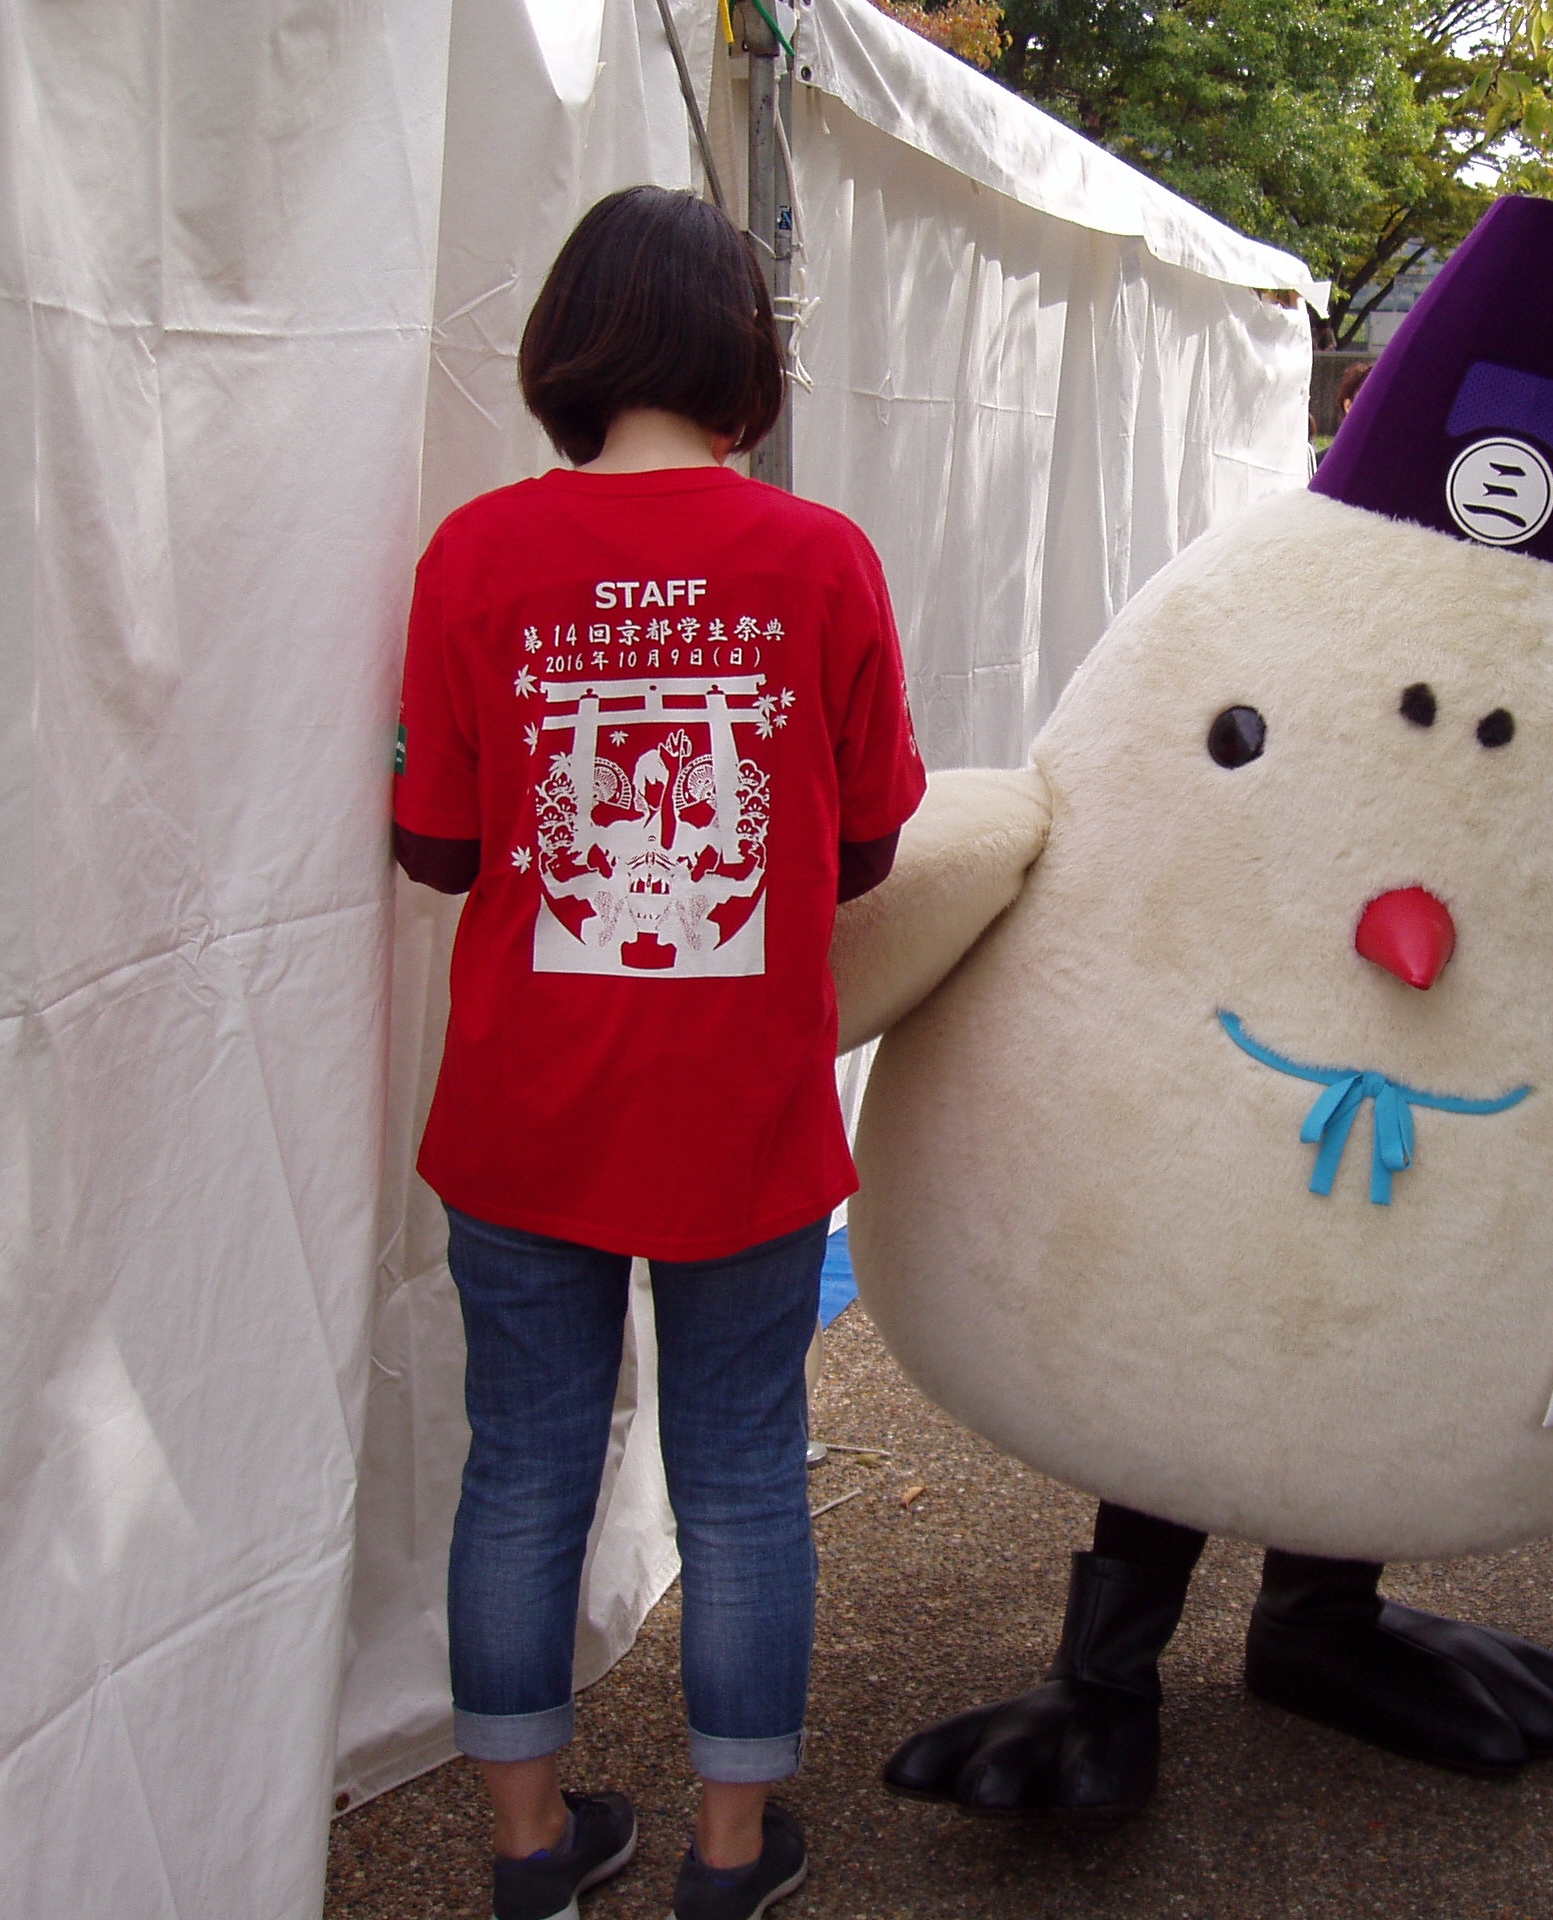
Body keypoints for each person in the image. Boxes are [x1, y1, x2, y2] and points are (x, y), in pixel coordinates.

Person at [392, 185, 927, 1919]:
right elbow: (868, 847)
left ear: (565, 350)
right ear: (741, 361)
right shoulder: (818, 557)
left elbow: (440, 845)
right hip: (738, 1105)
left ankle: (532, 1854)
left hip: (529, 1102)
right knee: (746, 1473)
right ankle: (726, 1856)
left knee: (526, 1462)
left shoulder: (476, 555)